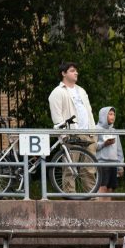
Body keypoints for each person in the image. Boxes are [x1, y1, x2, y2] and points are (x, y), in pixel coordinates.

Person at [47, 61, 96, 193]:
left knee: (90, 168)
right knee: (70, 167)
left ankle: (91, 196)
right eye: (72, 70)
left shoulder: (81, 90)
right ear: (64, 73)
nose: (76, 73)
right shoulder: (57, 92)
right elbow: (57, 116)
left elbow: (89, 111)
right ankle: (70, 196)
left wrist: (94, 131)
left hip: (89, 132)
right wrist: (63, 134)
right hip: (72, 133)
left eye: (76, 70)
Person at [95, 106, 123, 200]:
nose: (113, 116)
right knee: (102, 188)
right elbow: (92, 147)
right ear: (103, 115)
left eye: (114, 114)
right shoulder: (96, 129)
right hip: (102, 163)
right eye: (110, 114)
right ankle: (99, 212)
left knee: (110, 189)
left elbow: (119, 149)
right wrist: (104, 144)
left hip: (113, 164)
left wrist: (120, 165)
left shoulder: (114, 131)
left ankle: (108, 213)